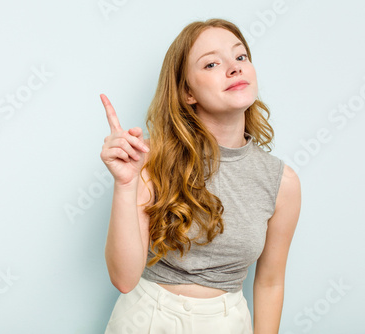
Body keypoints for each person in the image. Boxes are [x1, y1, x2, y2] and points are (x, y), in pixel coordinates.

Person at [99, 18, 301, 334]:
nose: (234, 68)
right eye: (210, 64)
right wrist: (125, 185)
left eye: (240, 57)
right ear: (187, 92)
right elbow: (124, 279)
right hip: (146, 318)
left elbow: (270, 282)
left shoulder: (282, 182)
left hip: (228, 323)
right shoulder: (149, 160)